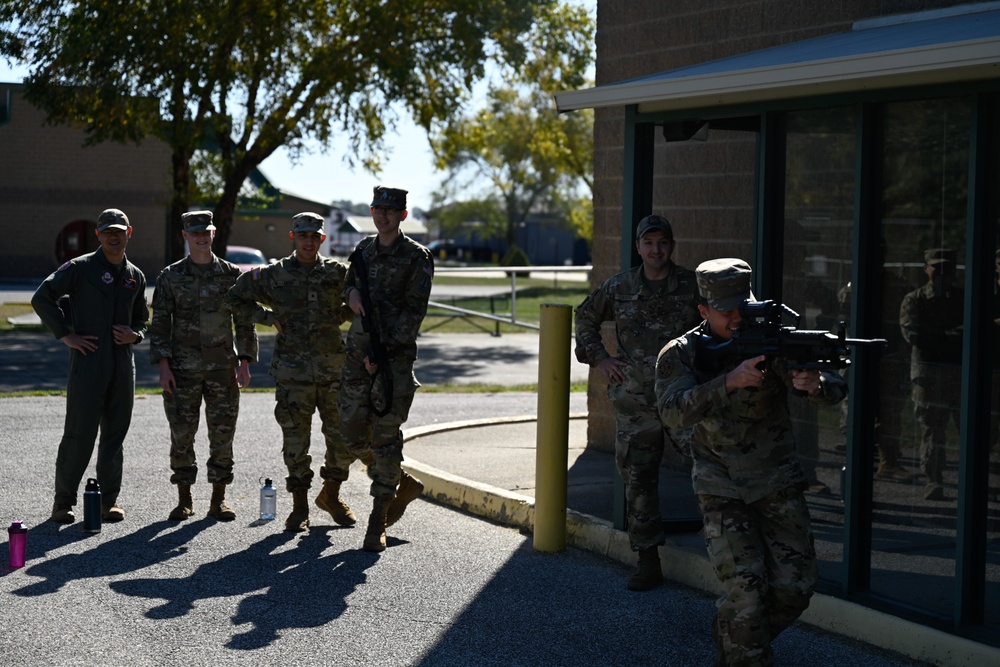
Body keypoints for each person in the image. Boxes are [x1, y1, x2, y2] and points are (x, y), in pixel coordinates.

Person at [655, 258, 847, 667]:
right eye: (726, 312)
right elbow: (671, 411)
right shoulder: (681, 353)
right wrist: (728, 381)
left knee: (796, 587)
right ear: (704, 311)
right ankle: (745, 651)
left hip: (776, 480)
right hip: (720, 484)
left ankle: (736, 639)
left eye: (744, 307)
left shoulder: (769, 337)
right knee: (747, 591)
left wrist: (816, 385)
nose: (738, 319)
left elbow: (832, 385)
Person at [573, 213, 701, 591]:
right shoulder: (620, 287)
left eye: (662, 243)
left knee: (711, 470)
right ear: (638, 247)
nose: (656, 250)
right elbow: (584, 317)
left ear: (671, 246)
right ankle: (648, 561)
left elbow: (722, 323)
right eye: (649, 243)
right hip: (636, 401)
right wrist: (600, 358)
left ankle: (725, 548)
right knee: (639, 480)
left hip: (684, 397)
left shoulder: (693, 287)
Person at [226, 212, 354, 532]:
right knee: (296, 443)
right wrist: (267, 318)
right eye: (303, 235)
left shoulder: (338, 273)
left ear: (322, 239)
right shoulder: (275, 274)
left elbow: (362, 295)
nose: (309, 241)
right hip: (292, 374)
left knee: (342, 440)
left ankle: (332, 495)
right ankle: (299, 507)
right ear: (292, 237)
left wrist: (342, 314)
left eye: (314, 236)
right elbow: (234, 296)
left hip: (332, 372)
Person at [31, 208, 149, 524]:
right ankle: (63, 503)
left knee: (114, 436)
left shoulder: (134, 276)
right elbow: (42, 297)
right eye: (107, 231)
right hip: (88, 362)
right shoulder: (81, 268)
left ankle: (109, 500)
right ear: (98, 234)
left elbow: (142, 318)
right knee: (79, 434)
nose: (114, 236)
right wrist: (66, 335)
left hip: (122, 366)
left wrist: (135, 334)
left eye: (119, 230)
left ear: (129, 232)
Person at [338, 185, 433, 553]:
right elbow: (348, 285)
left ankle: (377, 520)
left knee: (385, 435)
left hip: (392, 361)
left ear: (403, 216)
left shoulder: (416, 257)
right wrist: (351, 295)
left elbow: (414, 313)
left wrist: (383, 352)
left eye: (391, 211)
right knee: (349, 431)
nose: (383, 215)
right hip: (356, 354)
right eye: (378, 209)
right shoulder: (363, 249)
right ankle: (403, 482)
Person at [148, 210, 257, 522]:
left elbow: (244, 320)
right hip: (182, 370)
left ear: (213, 233)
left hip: (223, 369)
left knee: (222, 435)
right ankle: (184, 499)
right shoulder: (170, 277)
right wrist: (164, 365)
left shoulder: (230, 274)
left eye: (206, 231)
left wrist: (245, 361)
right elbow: (161, 323)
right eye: (194, 232)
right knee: (182, 435)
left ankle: (218, 500)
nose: (200, 236)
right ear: (185, 235)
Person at [899, 248, 964, 501]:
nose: (942, 273)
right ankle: (933, 479)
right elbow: (914, 335)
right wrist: (953, 335)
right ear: (926, 268)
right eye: (937, 267)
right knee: (932, 429)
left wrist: (938, 334)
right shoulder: (914, 299)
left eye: (948, 267)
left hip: (959, 371)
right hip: (929, 372)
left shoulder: (962, 298)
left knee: (971, 428)